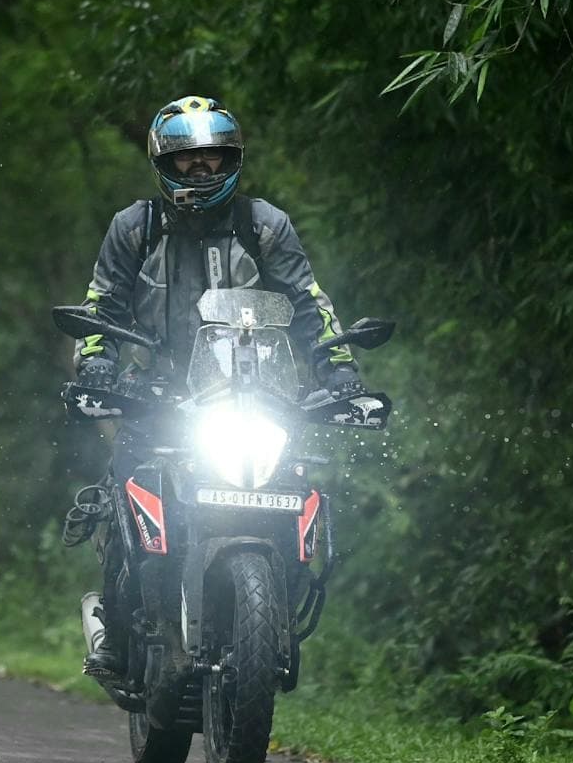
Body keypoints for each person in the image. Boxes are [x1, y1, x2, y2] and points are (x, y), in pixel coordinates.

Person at [70, 95, 361, 672]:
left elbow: (309, 303)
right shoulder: (135, 228)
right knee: (129, 499)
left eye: (212, 157)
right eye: (186, 159)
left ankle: (277, 609)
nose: (200, 169)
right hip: (156, 395)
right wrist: (96, 363)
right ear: (163, 164)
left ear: (233, 160)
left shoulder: (265, 225)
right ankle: (117, 630)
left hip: (257, 397)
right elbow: (101, 305)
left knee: (300, 492)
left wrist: (341, 367)